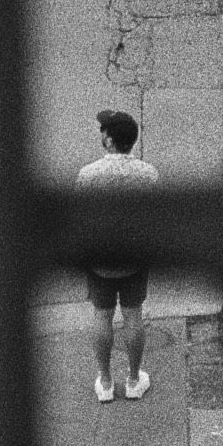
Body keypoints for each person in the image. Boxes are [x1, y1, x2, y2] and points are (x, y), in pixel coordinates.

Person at [75, 108, 160, 402]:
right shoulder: (148, 175)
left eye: (103, 130)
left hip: (101, 260)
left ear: (110, 140)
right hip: (134, 258)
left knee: (102, 316)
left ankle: (107, 382)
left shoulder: (88, 176)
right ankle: (135, 380)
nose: (100, 134)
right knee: (134, 316)